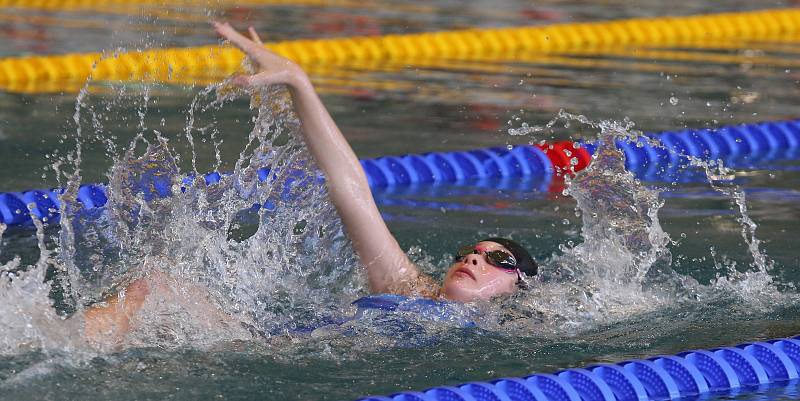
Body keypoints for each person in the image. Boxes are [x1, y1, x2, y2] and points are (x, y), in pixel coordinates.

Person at [83, 22, 538, 346]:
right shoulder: (406, 286)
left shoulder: (518, 332)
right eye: (469, 252)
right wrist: (300, 84)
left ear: (518, 286)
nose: (475, 257)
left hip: (263, 352)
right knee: (155, 281)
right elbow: (351, 188)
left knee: (155, 285)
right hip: (261, 345)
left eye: (496, 258)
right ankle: (65, 348)